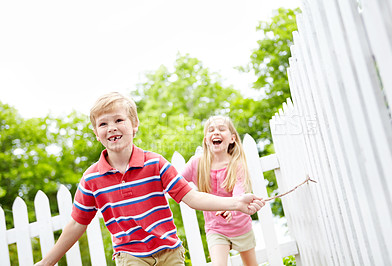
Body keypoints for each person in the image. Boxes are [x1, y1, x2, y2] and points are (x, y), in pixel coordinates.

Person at [35, 92, 264, 266]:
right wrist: (47, 262)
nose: (111, 128)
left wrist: (236, 203)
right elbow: (77, 223)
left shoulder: (155, 163)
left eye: (118, 120)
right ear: (96, 132)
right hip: (130, 255)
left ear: (134, 125)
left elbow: (191, 196)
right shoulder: (91, 179)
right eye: (103, 124)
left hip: (169, 251)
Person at [180, 116, 258, 266]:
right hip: (216, 229)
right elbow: (175, 182)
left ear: (232, 138)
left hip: (241, 226)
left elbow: (239, 191)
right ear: (206, 140)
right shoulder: (197, 163)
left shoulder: (237, 164)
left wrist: (233, 208)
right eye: (211, 130)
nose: (216, 132)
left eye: (222, 129)